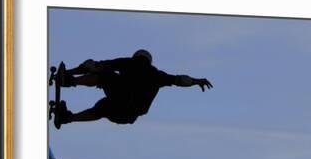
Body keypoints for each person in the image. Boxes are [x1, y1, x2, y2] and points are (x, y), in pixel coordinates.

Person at [55, 49, 213, 126]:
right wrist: (196, 81)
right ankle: (68, 118)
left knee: (104, 76)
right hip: (128, 116)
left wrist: (69, 73)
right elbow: (180, 80)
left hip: (122, 101)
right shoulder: (157, 75)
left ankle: (69, 81)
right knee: (102, 108)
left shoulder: (128, 63)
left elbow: (95, 66)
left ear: (136, 57)